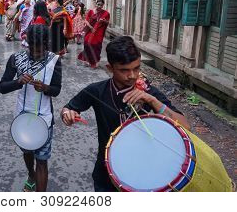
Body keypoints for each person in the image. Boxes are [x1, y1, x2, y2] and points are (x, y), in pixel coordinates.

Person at [61, 36, 190, 192]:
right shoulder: (97, 91)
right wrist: (67, 114)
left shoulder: (149, 93)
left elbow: (185, 127)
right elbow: (68, 108)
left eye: (136, 68)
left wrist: (153, 101)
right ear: (110, 68)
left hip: (144, 173)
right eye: (124, 70)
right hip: (106, 173)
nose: (132, 75)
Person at [0, 25, 62, 192]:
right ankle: (31, 175)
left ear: (46, 44)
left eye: (40, 49)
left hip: (44, 119)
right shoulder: (16, 58)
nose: (36, 53)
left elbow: (57, 90)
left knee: (42, 160)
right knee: (27, 152)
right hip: (22, 119)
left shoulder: (54, 60)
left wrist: (46, 88)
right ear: (27, 42)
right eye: (33, 48)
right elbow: (2, 87)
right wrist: (18, 81)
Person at [77, 0, 110, 68]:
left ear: (103, 5)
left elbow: (107, 22)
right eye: (98, 4)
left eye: (101, 5)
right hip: (90, 30)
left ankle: (94, 62)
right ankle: (88, 60)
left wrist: (104, 21)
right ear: (96, 4)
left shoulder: (106, 13)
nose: (99, 6)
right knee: (87, 43)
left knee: (96, 46)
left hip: (98, 32)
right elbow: (86, 20)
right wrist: (91, 27)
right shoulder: (91, 11)